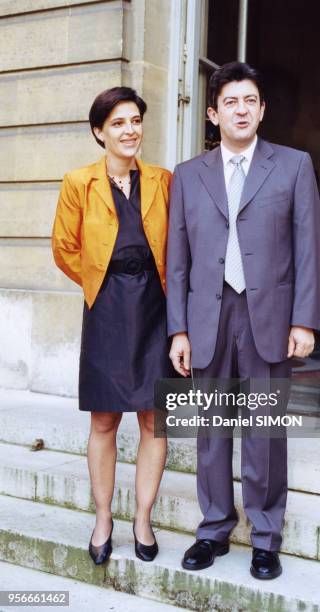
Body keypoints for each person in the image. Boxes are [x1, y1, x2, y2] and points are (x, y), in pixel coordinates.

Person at [166, 62, 320, 579]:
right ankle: (213, 529)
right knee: (211, 430)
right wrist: (179, 329)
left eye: (250, 101)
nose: (241, 109)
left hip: (270, 317)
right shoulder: (188, 176)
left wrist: (303, 320)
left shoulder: (294, 166)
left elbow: (308, 250)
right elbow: (179, 259)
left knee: (264, 430)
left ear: (262, 109)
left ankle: (265, 536)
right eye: (230, 102)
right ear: (213, 113)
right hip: (208, 313)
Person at [52, 86, 172, 565]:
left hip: (156, 307)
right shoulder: (78, 181)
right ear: (99, 132)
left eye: (135, 121)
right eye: (118, 123)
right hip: (104, 305)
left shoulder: (164, 180)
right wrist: (98, 281)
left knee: (154, 419)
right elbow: (64, 247)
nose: (129, 130)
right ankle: (103, 518)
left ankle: (143, 519)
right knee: (104, 419)